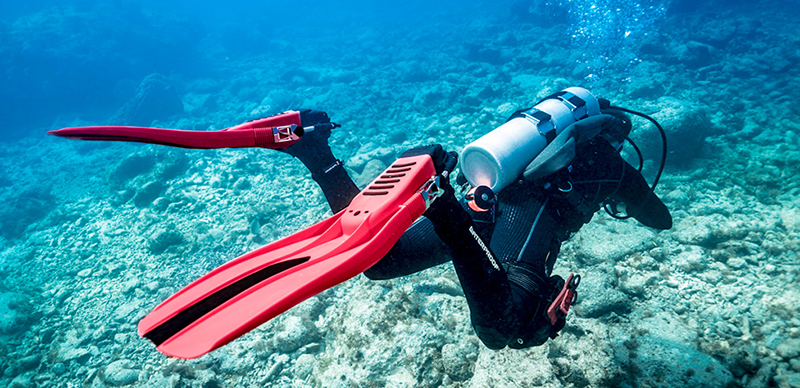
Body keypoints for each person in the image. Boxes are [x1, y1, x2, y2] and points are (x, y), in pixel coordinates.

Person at [287, 105, 673, 349]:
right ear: (611, 135)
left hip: (485, 196)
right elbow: (660, 219)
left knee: (379, 259)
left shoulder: (536, 137)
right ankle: (439, 204)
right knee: (508, 328)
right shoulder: (611, 165)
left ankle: (314, 149)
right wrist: (622, 187)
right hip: (528, 216)